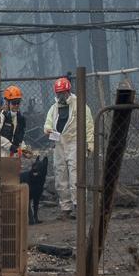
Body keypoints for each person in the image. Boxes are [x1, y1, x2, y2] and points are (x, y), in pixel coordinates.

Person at [42, 77, 94, 220]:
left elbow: (89, 126)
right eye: (58, 94)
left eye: (63, 93)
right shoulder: (54, 108)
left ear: (68, 91)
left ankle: (79, 206)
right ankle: (65, 208)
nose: (61, 96)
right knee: (60, 176)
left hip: (75, 143)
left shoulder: (80, 105)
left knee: (76, 175)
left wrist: (89, 144)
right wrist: (47, 129)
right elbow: (48, 123)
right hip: (59, 145)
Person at [0, 85, 26, 156]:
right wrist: (10, 146)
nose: (16, 105)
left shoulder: (20, 118)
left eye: (18, 102)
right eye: (14, 102)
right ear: (7, 102)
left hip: (14, 154)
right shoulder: (2, 116)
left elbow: (19, 136)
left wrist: (23, 149)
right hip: (1, 152)